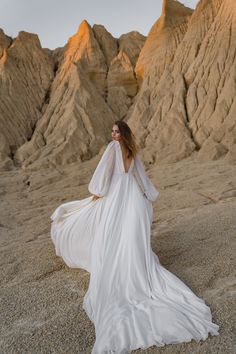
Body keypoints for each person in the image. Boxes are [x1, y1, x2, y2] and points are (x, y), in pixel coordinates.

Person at [50, 120, 219, 353]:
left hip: (117, 197)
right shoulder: (132, 151)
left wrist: (97, 194)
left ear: (123, 133)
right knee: (125, 234)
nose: (113, 134)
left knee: (110, 232)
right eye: (112, 131)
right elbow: (141, 178)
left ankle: (117, 264)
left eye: (116, 131)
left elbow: (104, 175)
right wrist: (148, 197)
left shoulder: (112, 148)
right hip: (131, 197)